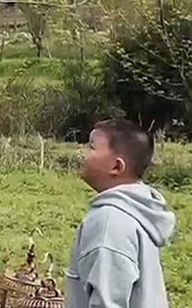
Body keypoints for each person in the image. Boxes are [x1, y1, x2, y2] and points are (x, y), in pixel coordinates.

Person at [66, 118, 176, 308]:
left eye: (91, 147)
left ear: (116, 167)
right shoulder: (137, 211)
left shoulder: (109, 222)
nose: (82, 153)